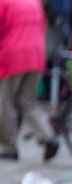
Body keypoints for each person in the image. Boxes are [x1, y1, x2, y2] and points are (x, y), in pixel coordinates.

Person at [0, 0, 59, 161]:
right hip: (36, 55)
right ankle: (48, 136)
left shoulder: (5, 3)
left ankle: (8, 146)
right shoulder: (33, 3)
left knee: (6, 103)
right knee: (28, 102)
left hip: (12, 56)